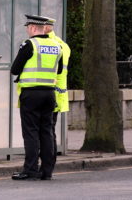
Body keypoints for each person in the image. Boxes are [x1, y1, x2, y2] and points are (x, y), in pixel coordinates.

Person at [11, 14, 63, 180]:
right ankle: (47, 171)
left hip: (31, 93)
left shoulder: (29, 44)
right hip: (49, 93)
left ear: (33, 28)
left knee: (31, 132)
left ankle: (31, 169)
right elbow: (60, 70)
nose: (27, 30)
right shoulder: (57, 46)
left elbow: (15, 69)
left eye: (28, 27)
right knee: (46, 131)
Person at [43, 17, 71, 171]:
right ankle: (48, 166)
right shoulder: (62, 45)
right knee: (49, 130)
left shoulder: (52, 44)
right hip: (55, 94)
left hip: (51, 94)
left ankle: (47, 167)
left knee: (47, 131)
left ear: (47, 27)